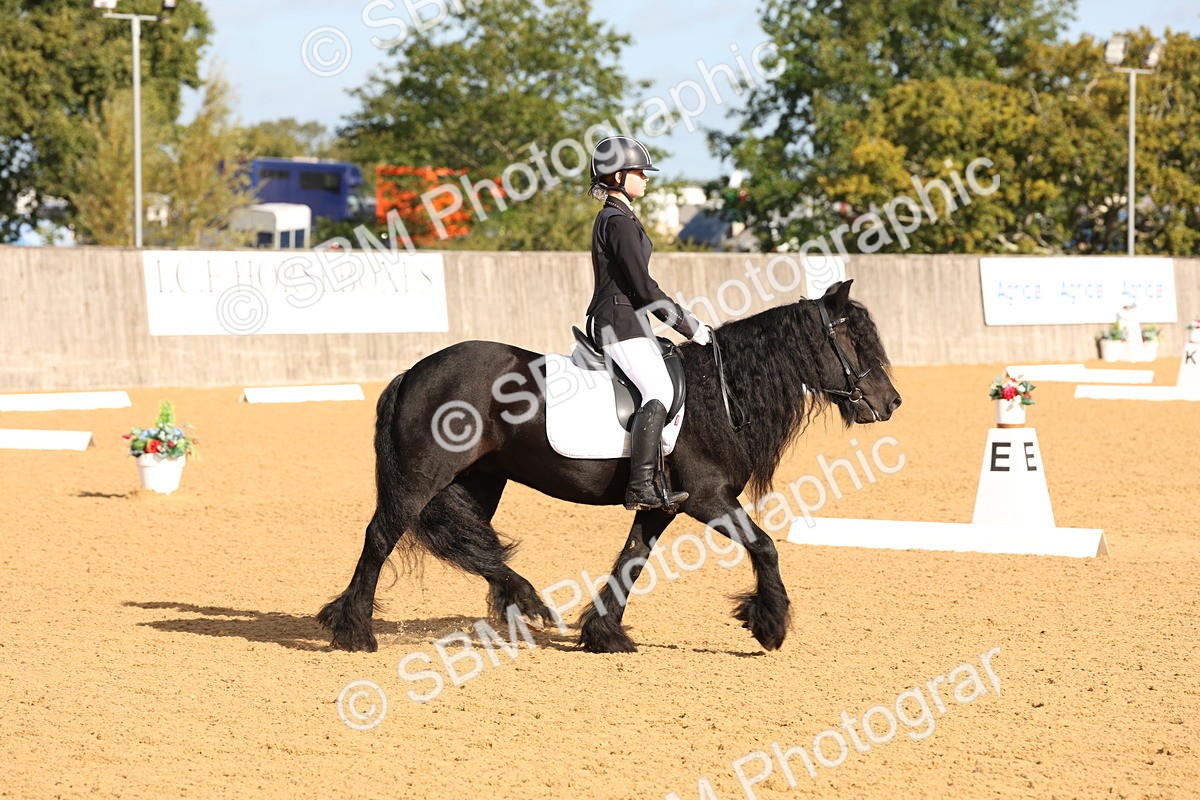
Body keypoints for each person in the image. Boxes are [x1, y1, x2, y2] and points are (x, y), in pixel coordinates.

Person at [586, 135, 712, 512]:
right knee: (657, 388)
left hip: (628, 320)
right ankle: (641, 485)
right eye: (639, 172)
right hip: (617, 321)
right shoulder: (617, 221)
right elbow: (644, 287)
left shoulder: (622, 217)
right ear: (618, 176)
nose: (645, 178)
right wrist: (690, 326)